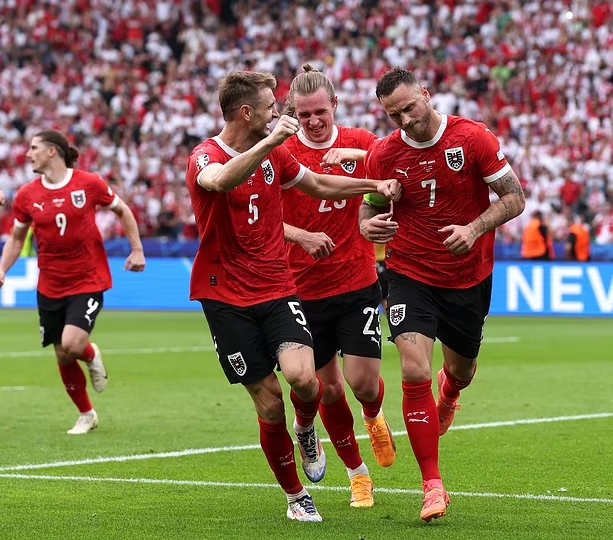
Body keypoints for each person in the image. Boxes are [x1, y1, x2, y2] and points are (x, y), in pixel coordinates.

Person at [184, 70, 400, 523]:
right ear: (247, 113)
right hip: (226, 297)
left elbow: (318, 184)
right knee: (268, 401)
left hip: (278, 287)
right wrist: (270, 144)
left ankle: (306, 430)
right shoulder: (206, 155)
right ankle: (296, 495)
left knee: (306, 380)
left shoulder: (277, 153)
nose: (278, 115)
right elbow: (220, 181)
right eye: (271, 107)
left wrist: (372, 185)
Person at [358, 67, 525, 522]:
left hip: (468, 277)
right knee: (414, 370)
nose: (405, 120)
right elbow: (368, 209)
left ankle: (450, 393)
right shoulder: (383, 154)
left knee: (461, 369)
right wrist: (368, 226)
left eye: (409, 108)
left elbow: (515, 198)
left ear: (427, 95)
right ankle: (432, 485)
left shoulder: (472, 139)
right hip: (409, 274)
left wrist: (474, 228)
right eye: (394, 114)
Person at [280, 65, 397, 509]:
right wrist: (301, 237)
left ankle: (374, 415)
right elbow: (263, 218)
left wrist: (358, 155)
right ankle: (357, 475)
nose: (314, 121)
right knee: (327, 389)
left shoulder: (361, 143)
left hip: (356, 281)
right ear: (294, 113)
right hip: (301, 289)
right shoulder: (282, 152)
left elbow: (395, 178)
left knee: (363, 383)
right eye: (304, 114)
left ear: (335, 105)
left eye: (320, 112)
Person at [0, 130, 146, 435]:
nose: (28, 154)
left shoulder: (89, 183)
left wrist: (137, 249)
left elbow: (122, 210)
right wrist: (2, 269)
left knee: (72, 344)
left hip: (88, 279)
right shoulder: (27, 195)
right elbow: (17, 239)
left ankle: (90, 354)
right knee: (62, 354)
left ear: (52, 151)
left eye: (34, 148)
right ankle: (87, 414)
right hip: (50, 284)